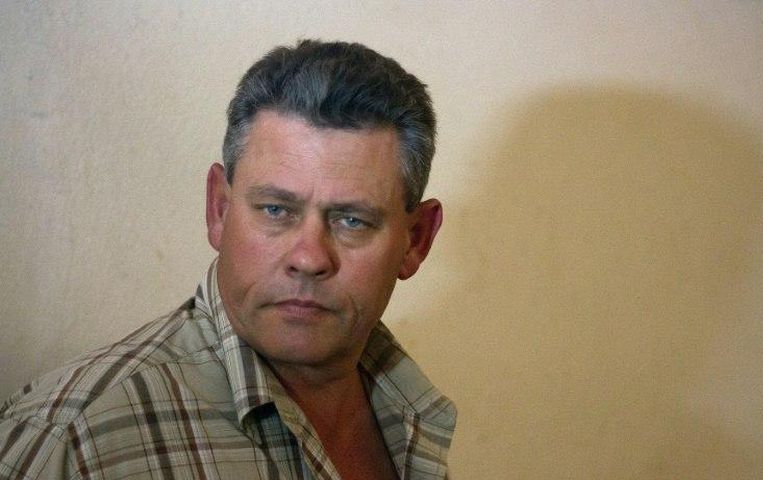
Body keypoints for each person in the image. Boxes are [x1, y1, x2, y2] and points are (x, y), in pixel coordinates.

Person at [0, 40, 456, 480]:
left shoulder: (412, 413)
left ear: (416, 240)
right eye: (275, 210)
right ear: (219, 210)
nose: (309, 258)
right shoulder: (71, 439)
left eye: (352, 220)